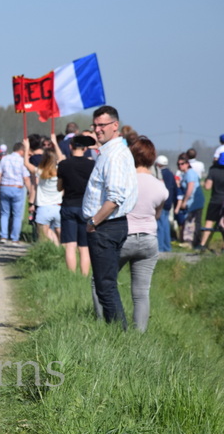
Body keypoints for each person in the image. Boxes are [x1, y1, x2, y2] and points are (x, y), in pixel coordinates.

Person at [95, 137, 167, 332]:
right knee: (141, 293)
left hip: (122, 238)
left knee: (101, 282)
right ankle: (138, 336)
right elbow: (158, 214)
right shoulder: (160, 187)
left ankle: (104, 325)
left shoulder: (125, 180)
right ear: (152, 158)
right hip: (148, 240)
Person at [82, 105, 138, 330]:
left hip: (106, 225)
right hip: (111, 224)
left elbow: (114, 197)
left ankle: (118, 333)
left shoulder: (113, 156)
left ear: (115, 126)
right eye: (94, 125)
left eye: (102, 125)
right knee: (107, 284)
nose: (97, 130)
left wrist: (94, 222)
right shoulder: (113, 152)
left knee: (105, 286)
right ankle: (116, 332)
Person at [57, 134, 96, 274]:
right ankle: (84, 276)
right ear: (85, 148)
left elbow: (59, 187)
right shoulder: (92, 165)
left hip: (68, 205)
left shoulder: (63, 164)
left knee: (70, 246)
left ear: (70, 147)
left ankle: (71, 276)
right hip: (86, 207)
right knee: (84, 247)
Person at [197, 154, 224, 251]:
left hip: (215, 200)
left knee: (209, 222)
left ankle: (202, 244)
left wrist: (204, 183)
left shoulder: (213, 171)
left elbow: (208, 187)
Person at [0, 141, 31, 245]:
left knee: (4, 213)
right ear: (21, 150)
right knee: (17, 215)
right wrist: (30, 191)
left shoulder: (4, 159)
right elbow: (26, 178)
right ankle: (15, 238)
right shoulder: (22, 161)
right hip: (17, 188)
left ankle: (3, 236)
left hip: (4, 187)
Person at [28, 138, 63, 245]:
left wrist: (26, 148)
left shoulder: (40, 172)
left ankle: (52, 249)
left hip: (43, 207)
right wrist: (55, 143)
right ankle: (61, 251)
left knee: (44, 235)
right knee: (60, 234)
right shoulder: (60, 170)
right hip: (58, 207)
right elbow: (61, 158)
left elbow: (25, 163)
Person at [174, 156, 205, 248]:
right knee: (193, 221)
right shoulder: (185, 174)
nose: (180, 166)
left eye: (182, 164)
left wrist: (184, 201)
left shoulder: (190, 173)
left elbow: (190, 187)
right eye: (178, 164)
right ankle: (194, 242)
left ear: (187, 164)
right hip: (193, 200)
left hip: (195, 200)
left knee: (191, 221)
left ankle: (192, 242)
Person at [154, 155, 177, 252]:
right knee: (166, 224)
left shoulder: (160, 174)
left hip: (161, 202)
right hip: (169, 202)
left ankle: (161, 247)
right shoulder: (171, 174)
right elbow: (175, 188)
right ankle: (167, 247)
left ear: (158, 164)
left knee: (160, 225)